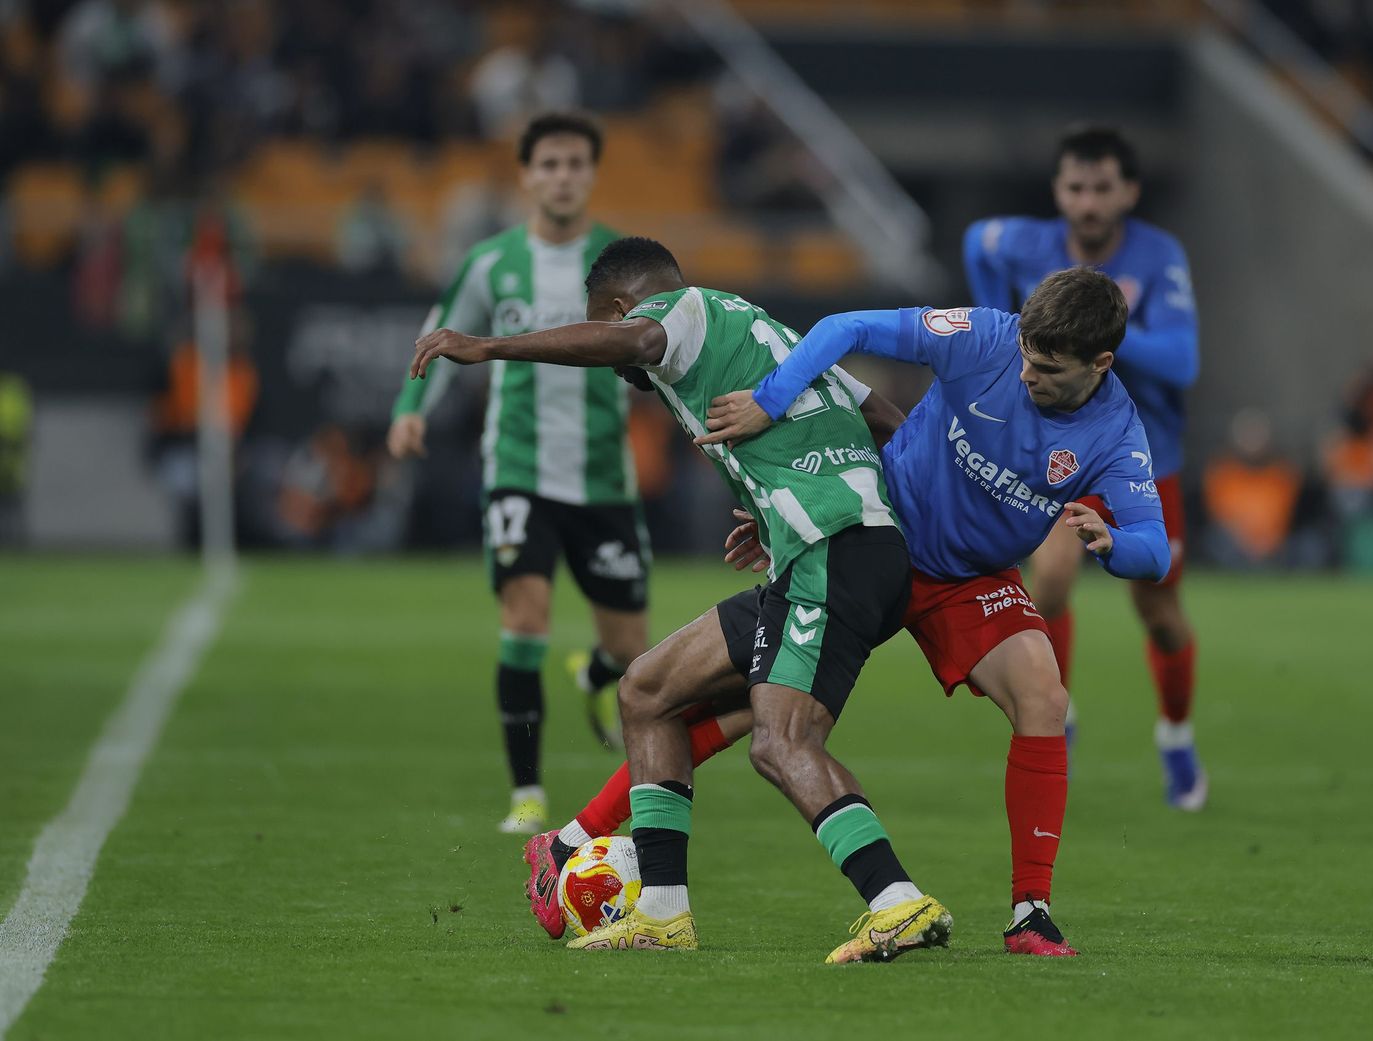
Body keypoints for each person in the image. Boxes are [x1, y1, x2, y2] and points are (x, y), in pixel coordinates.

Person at [525, 265, 1169, 959]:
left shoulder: (1117, 434)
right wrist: (780, 428)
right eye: (1025, 357)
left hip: (962, 579)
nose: (1026, 374)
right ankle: (578, 843)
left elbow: (1154, 550)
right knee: (747, 710)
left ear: (1099, 364)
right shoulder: (987, 337)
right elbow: (846, 328)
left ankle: (1029, 914)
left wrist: (1115, 545)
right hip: (876, 534)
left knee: (1042, 694)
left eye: (1046, 368)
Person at [409, 237, 953, 964]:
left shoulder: (683, 313)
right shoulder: (772, 336)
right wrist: (781, 504)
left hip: (834, 552)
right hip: (833, 551)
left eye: (606, 325)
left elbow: (636, 336)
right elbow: (887, 418)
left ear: (618, 304)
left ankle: (896, 900)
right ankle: (663, 911)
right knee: (647, 689)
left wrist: (488, 346)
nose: (620, 356)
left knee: (780, 740)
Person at [386, 113, 650, 835]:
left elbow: (668, 345)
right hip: (520, 469)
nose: (563, 176)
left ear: (591, 175)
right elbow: (441, 334)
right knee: (524, 618)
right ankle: (527, 792)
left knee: (634, 649)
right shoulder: (493, 262)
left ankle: (596, 675)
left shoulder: (624, 265)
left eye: (575, 164)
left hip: (603, 477)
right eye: (550, 164)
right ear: (526, 176)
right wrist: (412, 407)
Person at [963, 125, 1205, 810]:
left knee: (1158, 609)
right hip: (1060, 446)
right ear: (1058, 191)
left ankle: (1177, 735)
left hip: (1141, 450)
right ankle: (1055, 721)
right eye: (1076, 187)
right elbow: (974, 240)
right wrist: (1003, 321)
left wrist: (1092, 336)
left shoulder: (1159, 255)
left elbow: (1184, 362)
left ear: (1128, 191)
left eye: (1103, 188)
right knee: (1053, 578)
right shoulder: (1025, 243)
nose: (1089, 202)